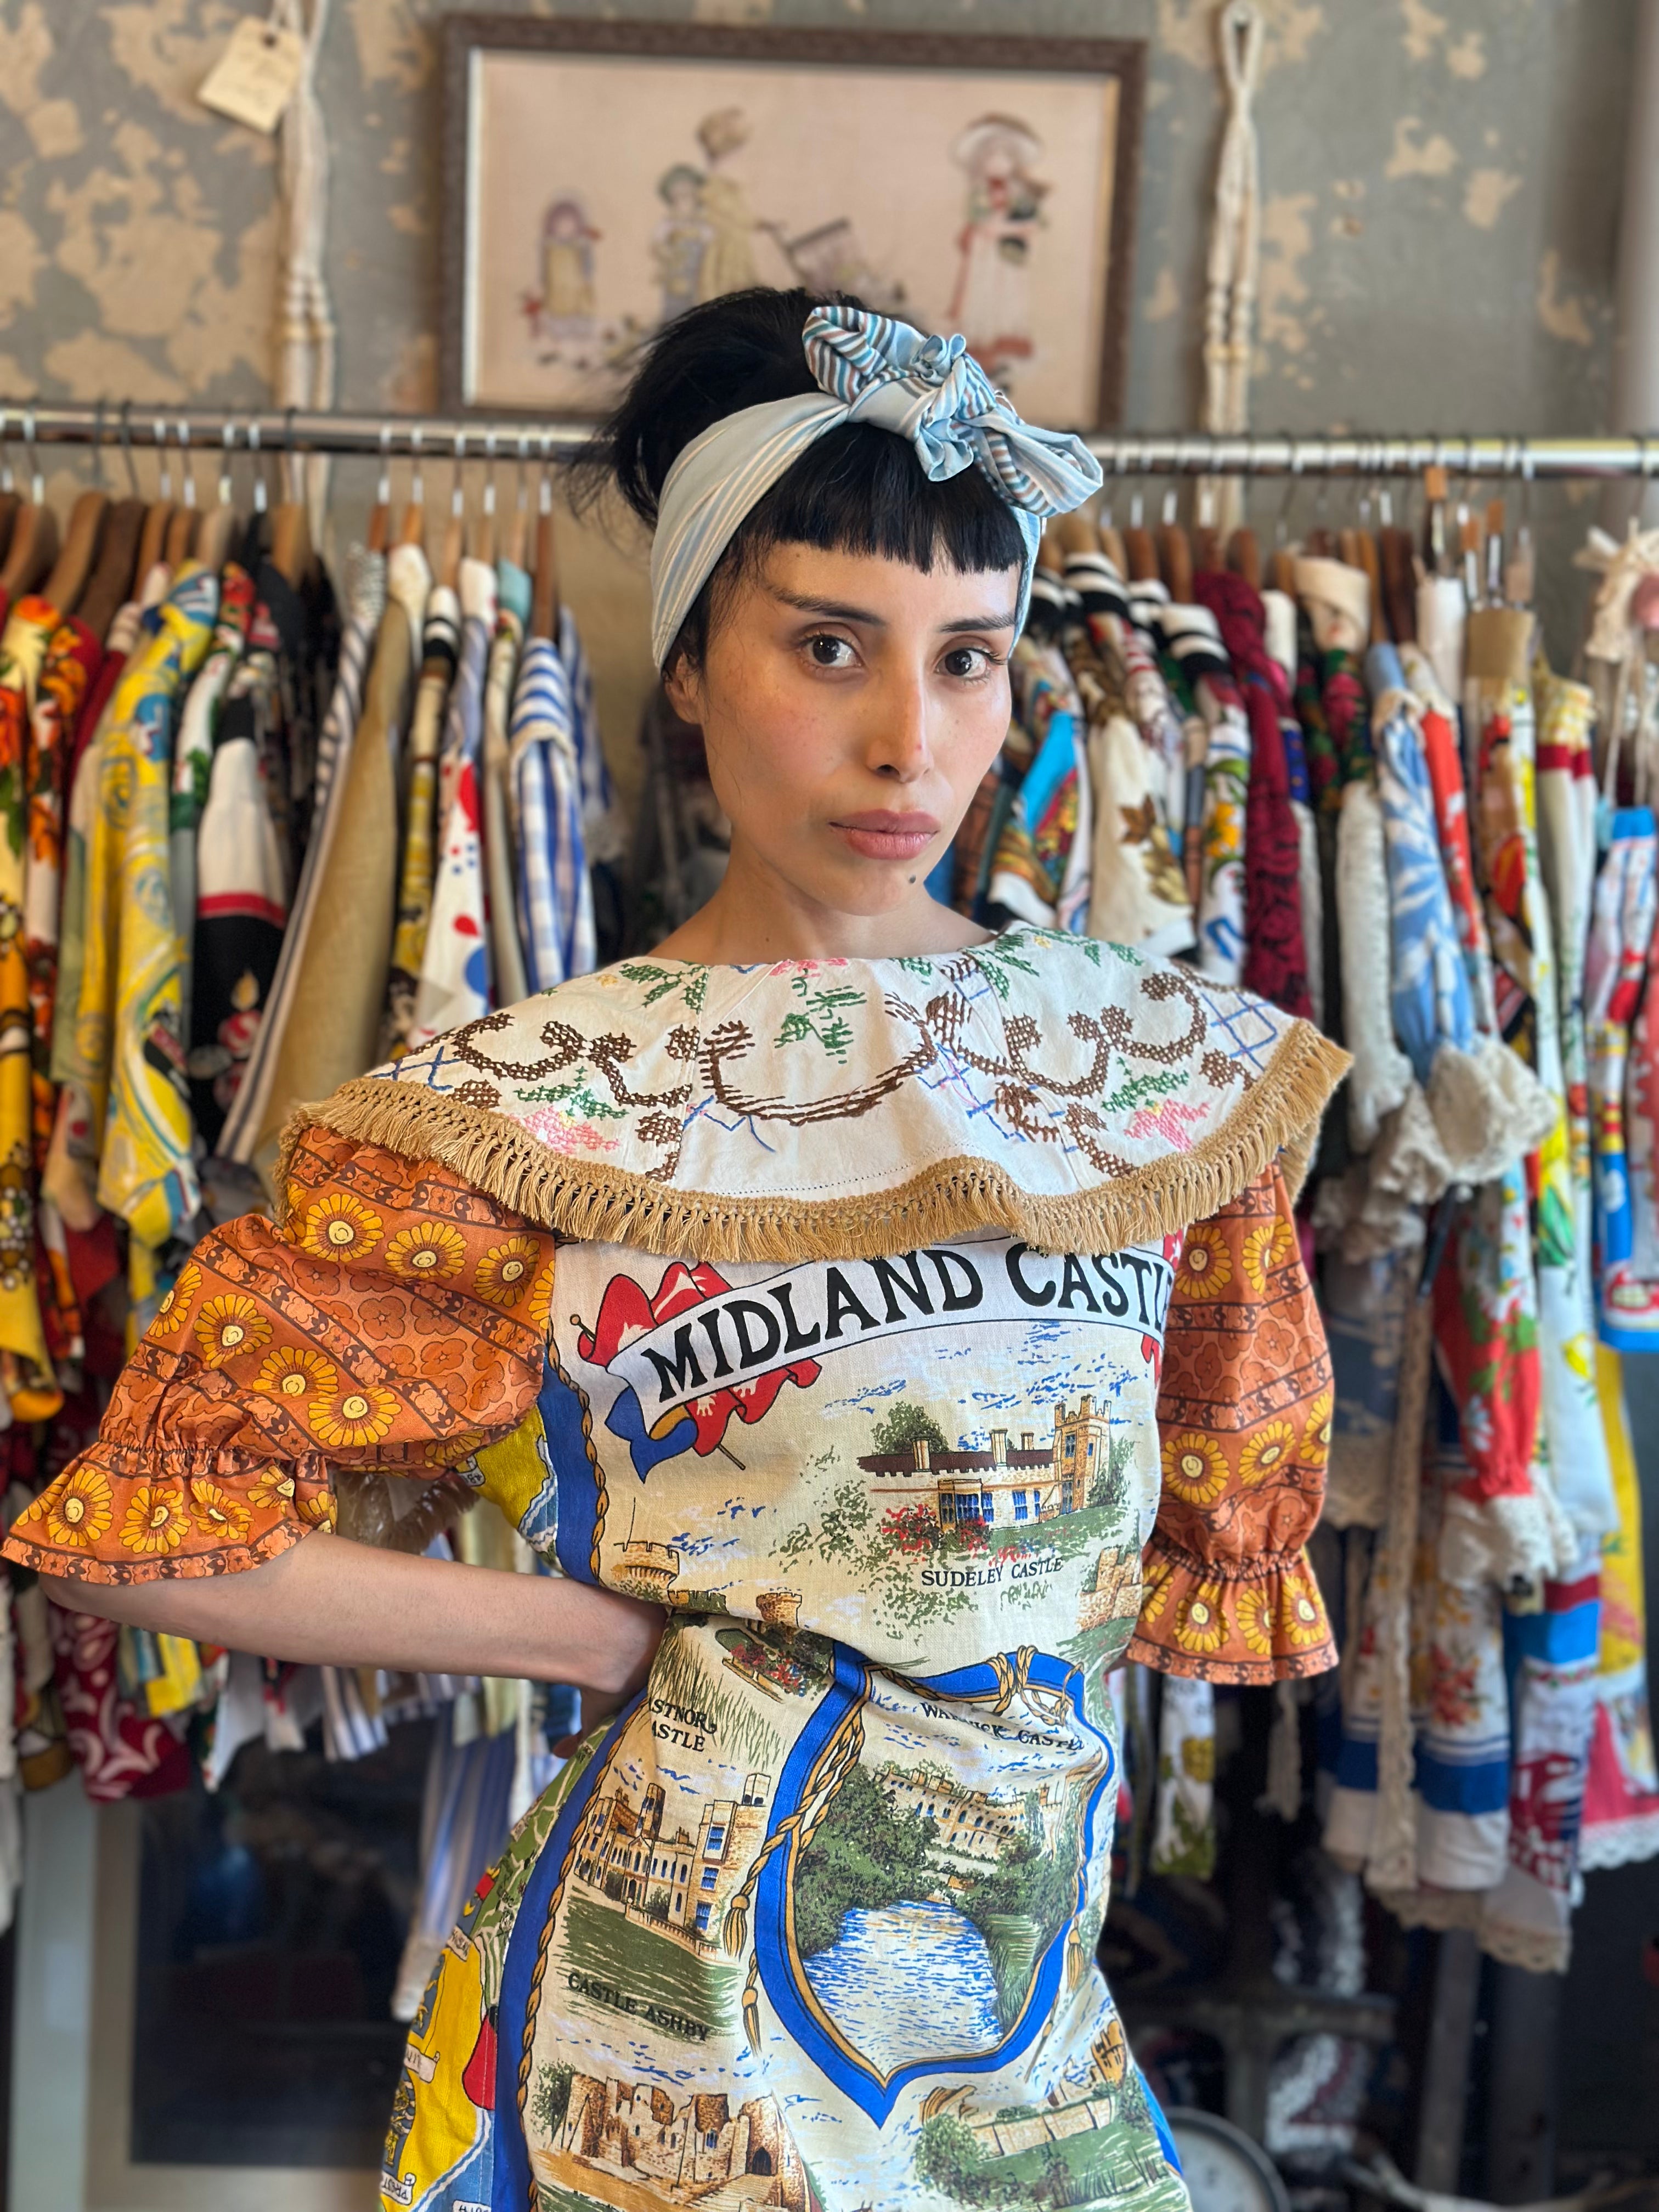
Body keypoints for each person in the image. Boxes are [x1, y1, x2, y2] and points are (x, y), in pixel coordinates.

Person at [7, 289, 1347, 2212]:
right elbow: (152, 1537)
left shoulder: (1165, 1087)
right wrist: (619, 1637)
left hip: (1021, 2032)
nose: (911, 737)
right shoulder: (534, 1106)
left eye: (969, 661)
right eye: (830, 646)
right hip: (657, 2031)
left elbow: (1170, 1549)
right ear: (695, 668)